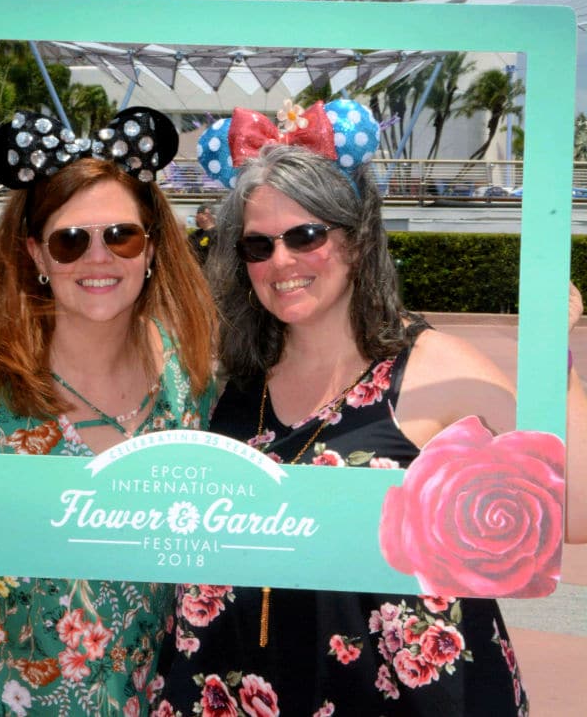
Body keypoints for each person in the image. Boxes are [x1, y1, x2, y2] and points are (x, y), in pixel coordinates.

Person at [156, 102, 587, 717]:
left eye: (305, 236)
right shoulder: (229, 376)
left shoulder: (434, 366)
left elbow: (575, 509)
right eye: (258, 244)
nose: (281, 262)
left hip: (398, 692)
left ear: (356, 242)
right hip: (239, 683)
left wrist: (554, 357)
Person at [0, 108, 217, 716]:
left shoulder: (193, 379)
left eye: (121, 235)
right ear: (35, 253)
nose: (98, 257)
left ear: (152, 247)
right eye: (70, 240)